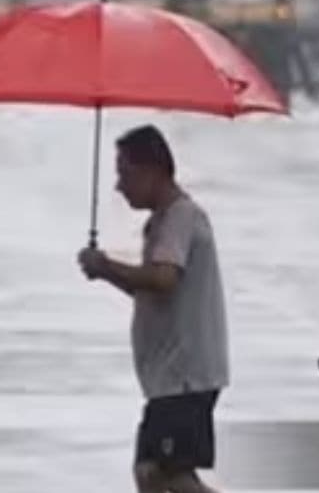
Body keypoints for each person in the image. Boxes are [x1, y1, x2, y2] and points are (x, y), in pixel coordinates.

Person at [77, 125, 230, 493]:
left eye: (125, 173)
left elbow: (163, 280)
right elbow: (155, 292)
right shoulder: (163, 222)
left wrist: (107, 265)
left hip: (185, 375)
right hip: (172, 377)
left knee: (167, 475)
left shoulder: (181, 216)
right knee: (152, 473)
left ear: (153, 170)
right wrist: (105, 272)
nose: (119, 185)